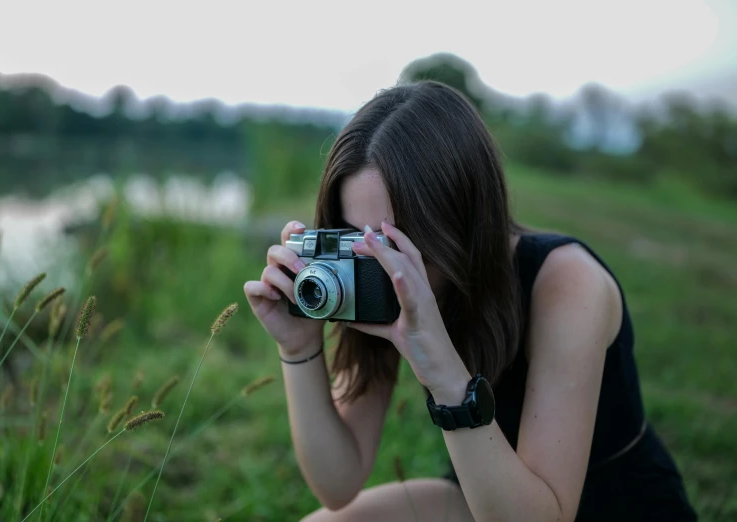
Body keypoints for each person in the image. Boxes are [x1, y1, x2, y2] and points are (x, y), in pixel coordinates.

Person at [243, 81, 697, 522]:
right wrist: (299, 349)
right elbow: (338, 484)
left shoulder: (568, 283)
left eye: (391, 239)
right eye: (354, 237)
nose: (375, 259)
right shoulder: (374, 282)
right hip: (484, 496)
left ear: (462, 218)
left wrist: (443, 370)